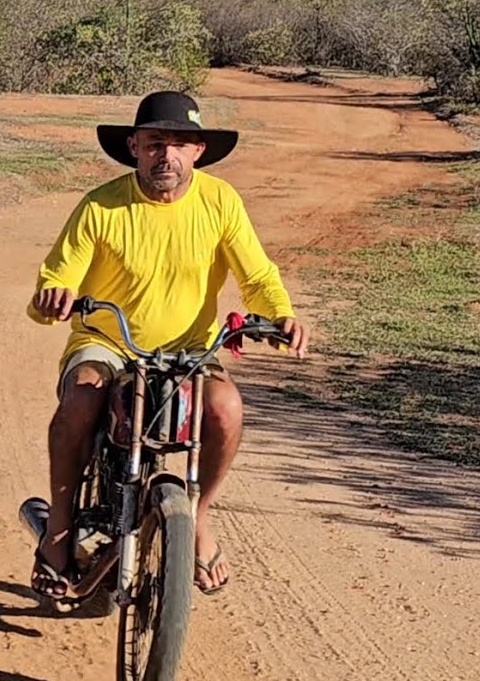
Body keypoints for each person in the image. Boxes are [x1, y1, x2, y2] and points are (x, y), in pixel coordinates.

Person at [26, 90, 310, 599]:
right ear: (134, 146)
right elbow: (59, 273)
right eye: (156, 143)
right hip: (109, 342)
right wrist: (56, 295)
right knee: (82, 398)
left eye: (180, 144)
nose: (167, 156)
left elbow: (258, 274)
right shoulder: (100, 206)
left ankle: (196, 518)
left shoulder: (220, 201)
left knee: (225, 408)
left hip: (190, 350)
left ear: (198, 151)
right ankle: (59, 529)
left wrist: (281, 315)